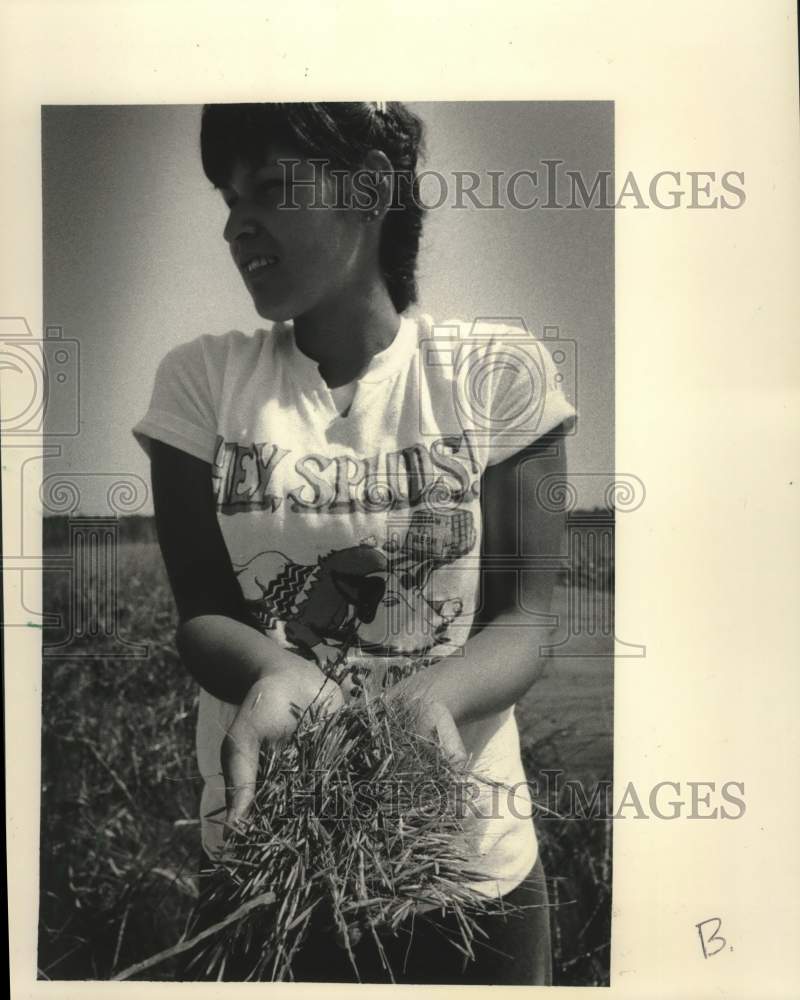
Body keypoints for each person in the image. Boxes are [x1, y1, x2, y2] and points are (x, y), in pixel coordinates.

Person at [132, 101, 575, 984]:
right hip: (268, 864)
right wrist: (275, 673)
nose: (234, 223)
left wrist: (427, 704)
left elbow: (524, 618)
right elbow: (204, 611)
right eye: (227, 195)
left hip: (465, 867)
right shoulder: (203, 380)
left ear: (370, 186)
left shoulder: (497, 370)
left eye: (268, 188)